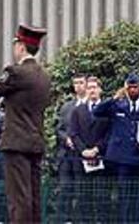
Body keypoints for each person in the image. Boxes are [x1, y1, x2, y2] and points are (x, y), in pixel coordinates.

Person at [0, 23, 51, 224]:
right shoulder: (44, 76)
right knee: (33, 197)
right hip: (35, 142)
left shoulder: (16, 73)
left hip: (16, 143)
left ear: (21, 46)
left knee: (18, 198)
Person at [94, 73, 139, 223]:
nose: (132, 90)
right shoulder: (117, 105)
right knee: (124, 197)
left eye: (135, 87)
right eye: (129, 87)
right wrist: (114, 97)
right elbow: (97, 111)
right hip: (122, 159)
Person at [69, 76, 110, 222]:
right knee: (83, 197)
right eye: (89, 88)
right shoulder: (77, 111)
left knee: (101, 196)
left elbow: (109, 134)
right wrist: (84, 151)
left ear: (100, 89)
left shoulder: (107, 110)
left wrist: (97, 149)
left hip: (101, 159)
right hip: (82, 161)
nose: (92, 90)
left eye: (94, 87)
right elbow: (73, 133)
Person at [56, 73, 87, 223]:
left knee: (81, 190)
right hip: (66, 155)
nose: (78, 86)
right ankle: (65, 220)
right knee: (65, 189)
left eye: (81, 83)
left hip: (82, 156)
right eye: (75, 83)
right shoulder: (66, 107)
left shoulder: (90, 106)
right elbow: (59, 129)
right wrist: (66, 139)